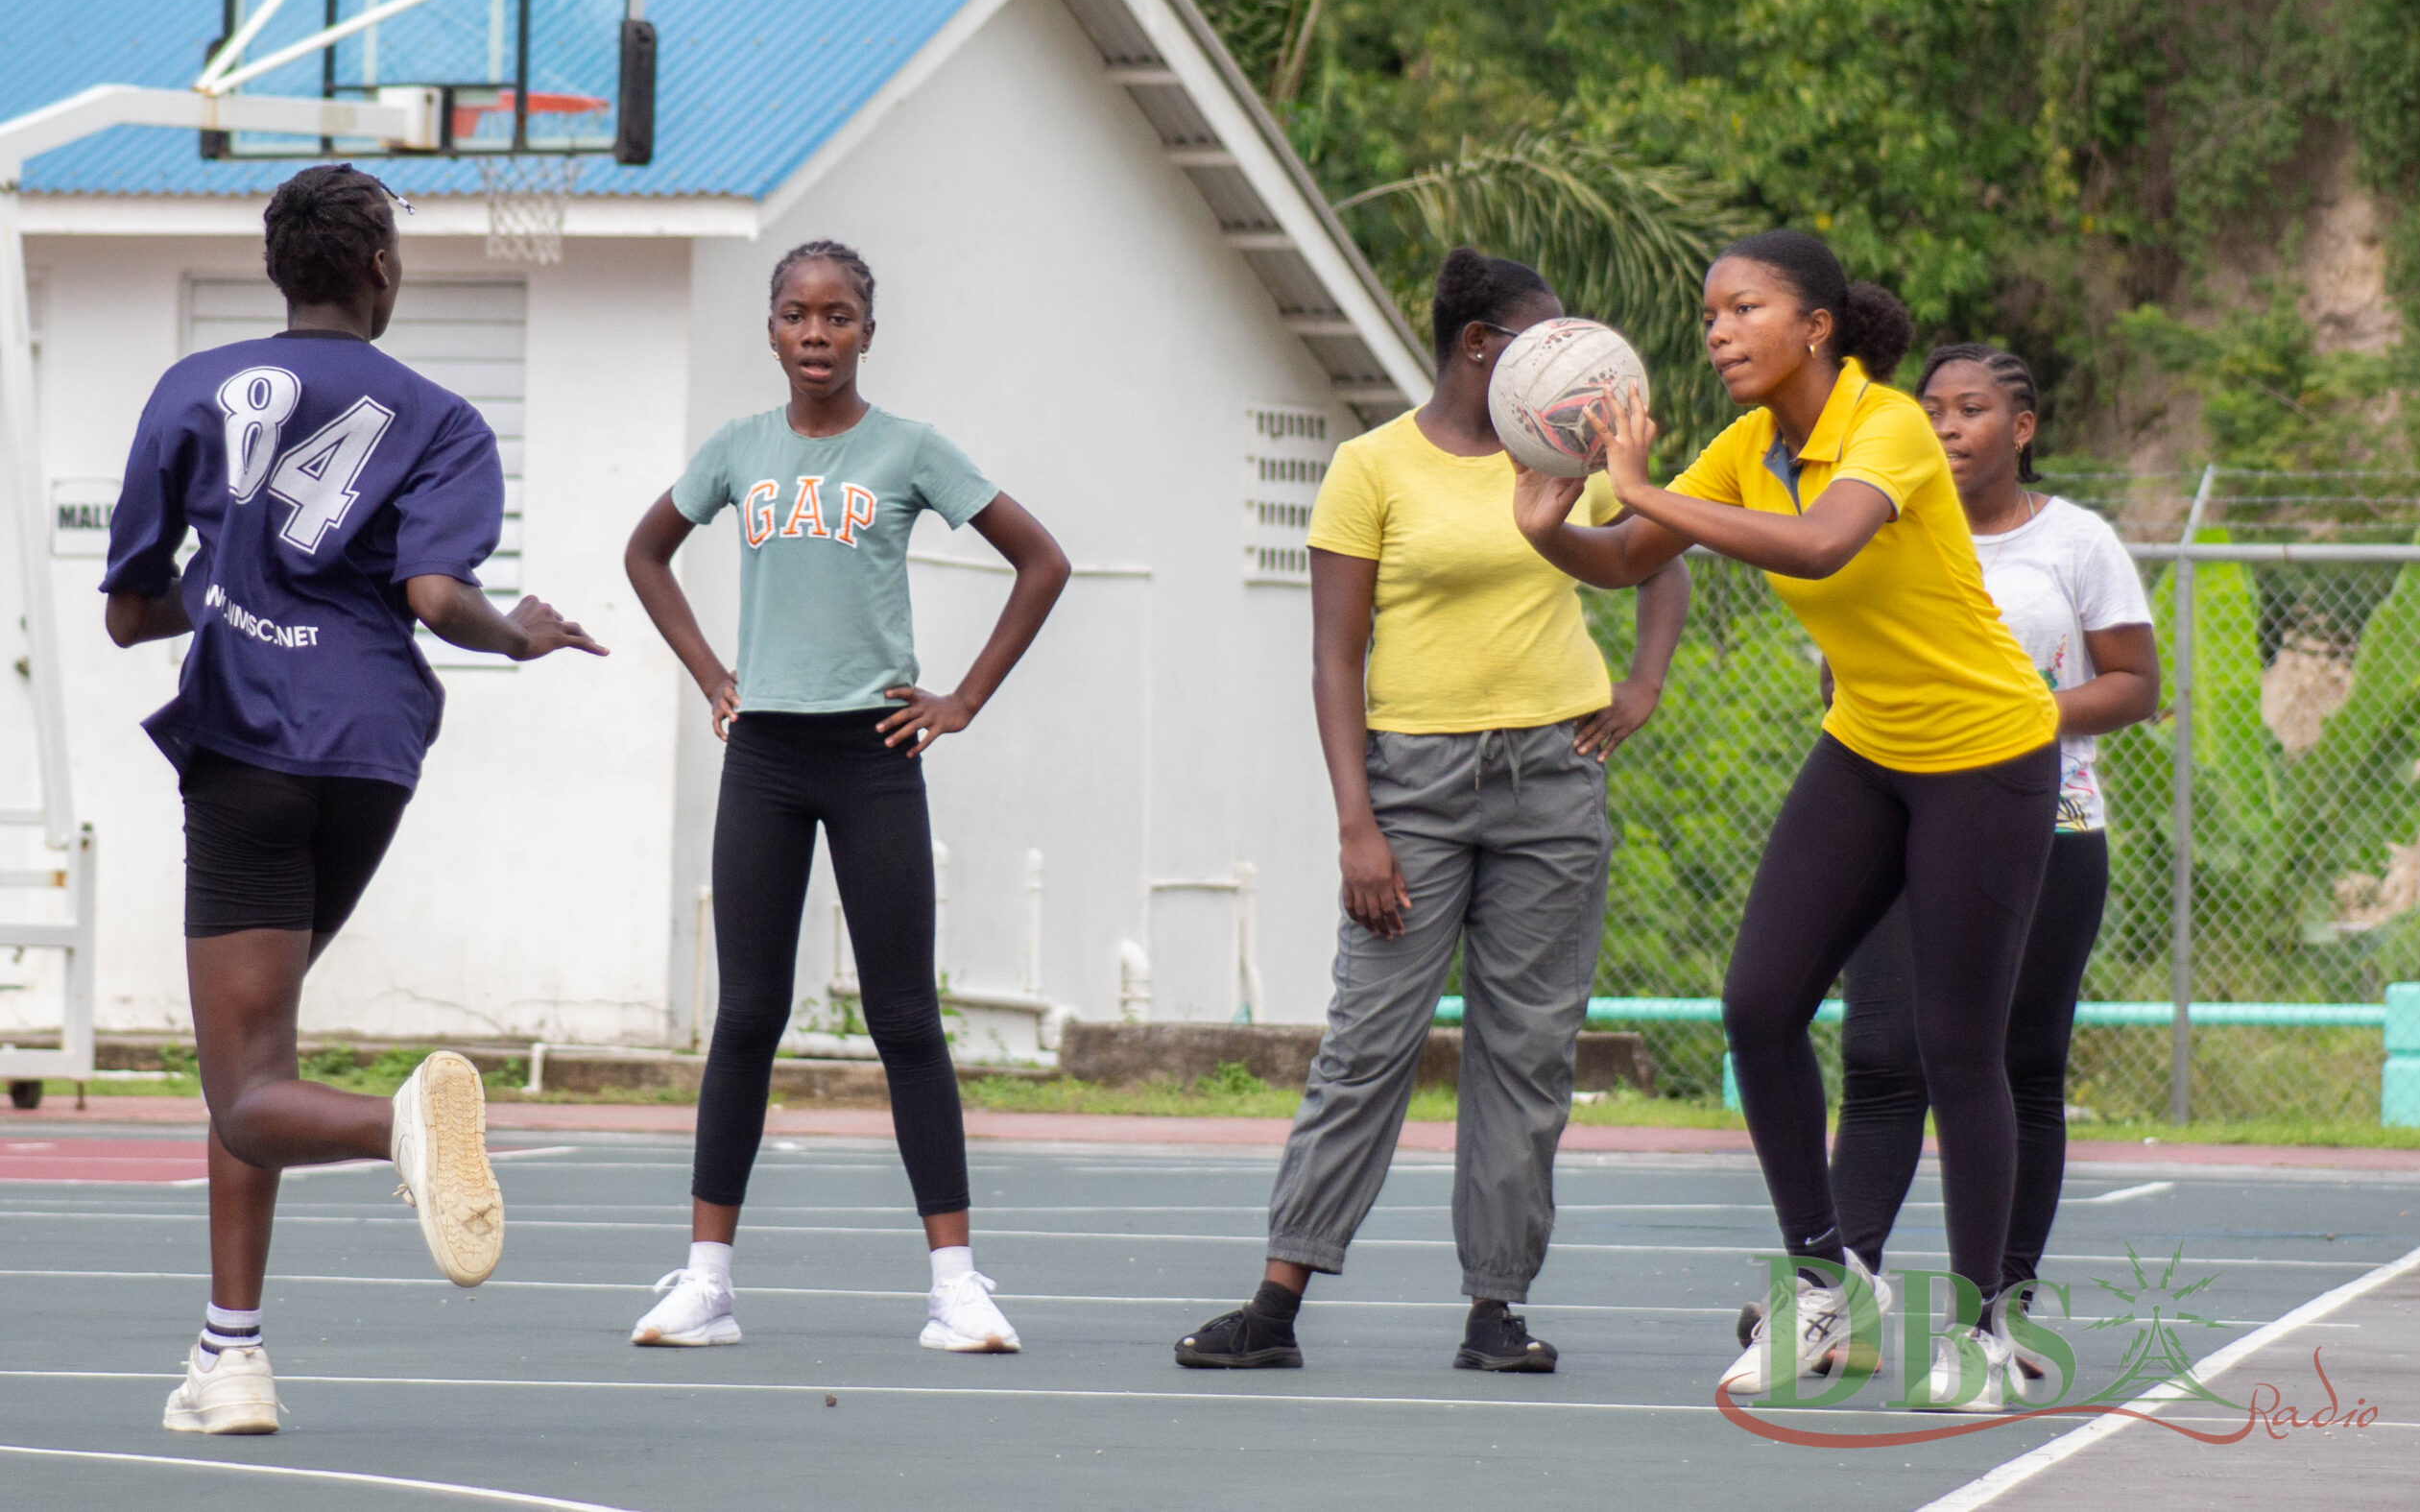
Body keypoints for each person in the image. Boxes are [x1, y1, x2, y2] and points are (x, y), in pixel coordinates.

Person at [1512, 229, 2061, 1409]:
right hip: (1867, 744)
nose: (1715, 332)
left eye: (1741, 309)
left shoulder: (1888, 427)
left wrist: (1651, 492)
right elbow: (1622, 558)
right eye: (1709, 314)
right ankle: (1827, 1284)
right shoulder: (1748, 447)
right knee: (1757, 1006)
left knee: (1957, 1050)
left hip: (1988, 753)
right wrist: (1548, 529)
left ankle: (1977, 1330)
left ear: (1814, 326)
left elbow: (1823, 543)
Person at [100, 163, 607, 1437]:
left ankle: (401, 1129)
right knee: (252, 1061)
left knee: (244, 1084)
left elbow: (128, 611)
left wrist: (217, 589)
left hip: (249, 743)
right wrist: (520, 636)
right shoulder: (441, 417)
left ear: (280, 268)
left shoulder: (188, 391)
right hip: (372, 747)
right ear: (382, 269)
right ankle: (232, 1360)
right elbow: (440, 598)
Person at [1175, 248, 1692, 1374]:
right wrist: (1357, 825)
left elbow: (1658, 553)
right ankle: (1274, 1304)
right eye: (1540, 342)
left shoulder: (1567, 457)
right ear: (1476, 348)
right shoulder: (1371, 467)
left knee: (1529, 1050)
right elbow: (1332, 655)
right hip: (1411, 785)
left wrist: (1642, 682)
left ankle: (1495, 1311)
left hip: (1552, 781)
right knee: (1368, 1044)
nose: (1568, 364)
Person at [623, 238, 1068, 1356]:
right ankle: (706, 1280)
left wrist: (962, 697)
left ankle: (955, 1286)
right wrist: (712, 675)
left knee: (904, 1016)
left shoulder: (909, 449)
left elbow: (1042, 561)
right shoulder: (737, 450)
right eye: (794, 315)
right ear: (768, 329)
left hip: (874, 755)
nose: (815, 335)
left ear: (869, 330)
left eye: (836, 317)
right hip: (765, 755)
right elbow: (646, 555)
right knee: (747, 1017)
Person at [1825, 345, 2157, 1376]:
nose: (1947, 426)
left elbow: (2134, 683)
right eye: (1929, 409)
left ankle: (1995, 1313)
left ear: (2021, 429)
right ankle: (1840, 1298)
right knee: (1880, 1056)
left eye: (1971, 410)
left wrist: (2011, 720)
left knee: (2020, 1067)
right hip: (1902, 821)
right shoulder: (1879, 530)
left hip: (2046, 827)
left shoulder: (2078, 542)